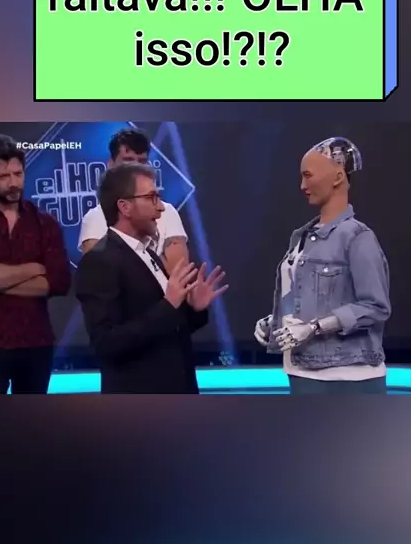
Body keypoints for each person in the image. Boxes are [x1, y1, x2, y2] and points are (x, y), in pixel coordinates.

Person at [75, 162, 228, 393]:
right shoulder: (99, 261)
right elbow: (106, 343)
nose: (161, 208)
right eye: (151, 197)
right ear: (125, 207)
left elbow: (169, 328)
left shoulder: (149, 254)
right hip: (140, 400)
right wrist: (168, 304)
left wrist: (194, 310)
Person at [254, 137, 391, 394]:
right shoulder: (302, 237)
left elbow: (375, 307)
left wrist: (314, 328)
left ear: (338, 177)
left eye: (308, 175)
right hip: (300, 371)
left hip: (349, 377)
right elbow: (309, 299)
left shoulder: (357, 237)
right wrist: (275, 321)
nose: (302, 185)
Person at [0, 134, 72, 393]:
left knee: (33, 418)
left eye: (18, 174)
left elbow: (59, 281)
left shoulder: (44, 223)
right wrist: (34, 268)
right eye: (3, 176)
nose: (13, 183)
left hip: (36, 343)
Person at [78, 127, 189, 270]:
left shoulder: (167, 212)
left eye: (141, 161)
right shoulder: (95, 218)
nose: (135, 169)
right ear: (111, 165)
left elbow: (179, 272)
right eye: (128, 161)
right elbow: (99, 274)